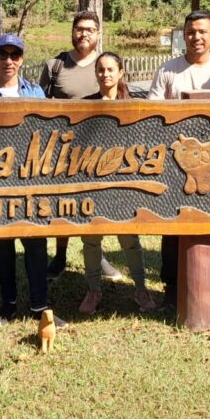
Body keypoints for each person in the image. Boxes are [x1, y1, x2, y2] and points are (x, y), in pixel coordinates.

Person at [148, 10, 210, 312]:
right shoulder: (168, 70)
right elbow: (152, 114)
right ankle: (171, 291)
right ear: (183, 35)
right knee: (171, 227)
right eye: (191, 31)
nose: (196, 37)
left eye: (203, 31)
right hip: (177, 165)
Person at [0, 34, 63, 327]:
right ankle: (8, 305)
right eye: (3, 54)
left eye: (14, 55)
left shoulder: (36, 93)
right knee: (2, 244)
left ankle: (40, 306)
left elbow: (49, 132)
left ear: (22, 59)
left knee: (36, 242)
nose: (8, 61)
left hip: (31, 179)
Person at [41, 11, 123, 282]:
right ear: (72, 32)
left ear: (98, 34)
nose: (84, 33)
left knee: (95, 205)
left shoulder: (106, 65)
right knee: (65, 205)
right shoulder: (55, 65)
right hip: (64, 149)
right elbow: (39, 107)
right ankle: (60, 256)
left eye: (90, 29)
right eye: (79, 29)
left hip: (99, 151)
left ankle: (98, 257)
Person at [77, 52, 157, 314]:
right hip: (94, 183)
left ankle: (141, 289)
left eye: (110, 69)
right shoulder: (84, 105)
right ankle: (93, 290)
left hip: (124, 183)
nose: (105, 74)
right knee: (91, 239)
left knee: (129, 238)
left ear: (121, 72)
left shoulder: (134, 104)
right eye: (100, 70)